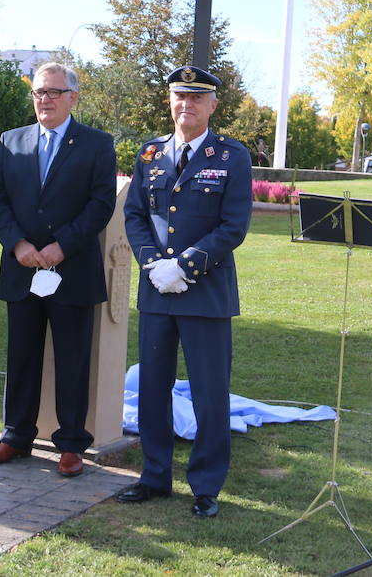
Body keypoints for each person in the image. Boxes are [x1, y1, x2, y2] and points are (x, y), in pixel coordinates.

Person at [116, 66, 251, 519]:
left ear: (213, 106)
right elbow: (135, 215)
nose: (186, 105)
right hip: (157, 289)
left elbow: (234, 226)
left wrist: (185, 264)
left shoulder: (231, 156)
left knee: (209, 392)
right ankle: (154, 476)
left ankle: (206, 485)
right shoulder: (150, 153)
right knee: (153, 387)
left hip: (205, 292)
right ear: (170, 101)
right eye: (179, 96)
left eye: (196, 98)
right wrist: (154, 265)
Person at [0, 62, 116, 477]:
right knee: (21, 356)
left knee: (73, 359)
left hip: (71, 270)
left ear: (74, 97)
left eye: (55, 92)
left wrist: (64, 246)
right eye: (40, 92)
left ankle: (72, 442)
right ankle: (15, 436)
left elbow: (101, 204)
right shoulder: (11, 141)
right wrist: (17, 243)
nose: (46, 99)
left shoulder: (96, 144)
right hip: (22, 268)